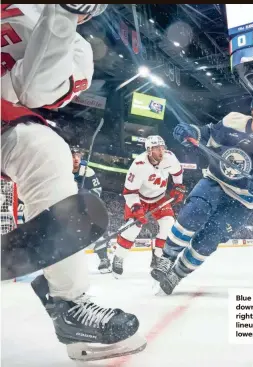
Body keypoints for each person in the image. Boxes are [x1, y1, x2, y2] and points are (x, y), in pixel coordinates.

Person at [1, 4, 145, 360]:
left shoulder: (77, 49)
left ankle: (69, 306)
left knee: (46, 150)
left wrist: (63, 14)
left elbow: (33, 91)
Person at [151, 91, 253, 295]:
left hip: (243, 200)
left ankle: (178, 272)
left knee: (210, 239)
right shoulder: (233, 121)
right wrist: (192, 132)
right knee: (194, 212)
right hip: (215, 181)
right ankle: (166, 258)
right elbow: (208, 135)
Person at [112, 135, 186, 278]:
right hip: (139, 198)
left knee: (169, 225)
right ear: (149, 150)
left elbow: (178, 172)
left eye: (162, 147)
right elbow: (129, 192)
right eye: (157, 148)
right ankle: (119, 257)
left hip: (159, 198)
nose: (161, 151)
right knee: (134, 227)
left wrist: (178, 186)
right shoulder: (139, 165)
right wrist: (136, 208)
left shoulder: (169, 157)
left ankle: (158, 257)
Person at [71, 147, 110, 272]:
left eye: (78, 155)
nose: (76, 158)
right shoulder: (62, 171)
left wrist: (87, 194)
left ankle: (104, 258)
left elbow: (97, 189)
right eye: (73, 156)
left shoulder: (88, 171)